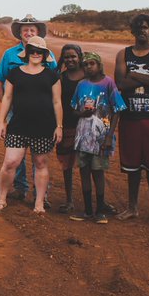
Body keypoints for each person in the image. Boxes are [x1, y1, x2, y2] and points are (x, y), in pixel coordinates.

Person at [0, 36, 61, 214]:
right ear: (27, 52)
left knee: (40, 162)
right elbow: (7, 98)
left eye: (40, 51)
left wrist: (59, 126)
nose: (36, 54)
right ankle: (2, 198)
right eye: (32, 50)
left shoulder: (52, 75)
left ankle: (38, 203)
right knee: (10, 162)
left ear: (45, 55)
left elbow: (56, 102)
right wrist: (2, 122)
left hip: (44, 126)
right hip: (18, 125)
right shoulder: (15, 74)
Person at [115, 13, 149, 223]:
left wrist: (134, 76)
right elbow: (120, 84)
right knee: (132, 166)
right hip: (130, 116)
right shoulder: (123, 53)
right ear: (133, 31)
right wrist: (148, 79)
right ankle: (132, 208)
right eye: (138, 27)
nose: (142, 30)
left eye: (146, 27)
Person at [69, 51, 126, 224]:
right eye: (85, 64)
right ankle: (87, 211)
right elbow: (73, 108)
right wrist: (81, 112)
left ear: (99, 65)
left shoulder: (108, 83)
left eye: (91, 64)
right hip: (82, 137)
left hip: (100, 138)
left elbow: (117, 110)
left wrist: (109, 136)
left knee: (98, 173)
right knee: (84, 172)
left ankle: (100, 211)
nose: (88, 67)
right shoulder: (81, 84)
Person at [55, 42, 84, 213]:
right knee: (67, 164)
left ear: (80, 57)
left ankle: (94, 200)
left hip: (87, 126)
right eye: (67, 57)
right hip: (67, 125)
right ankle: (69, 200)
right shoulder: (61, 78)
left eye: (73, 56)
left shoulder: (88, 75)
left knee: (89, 164)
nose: (70, 59)